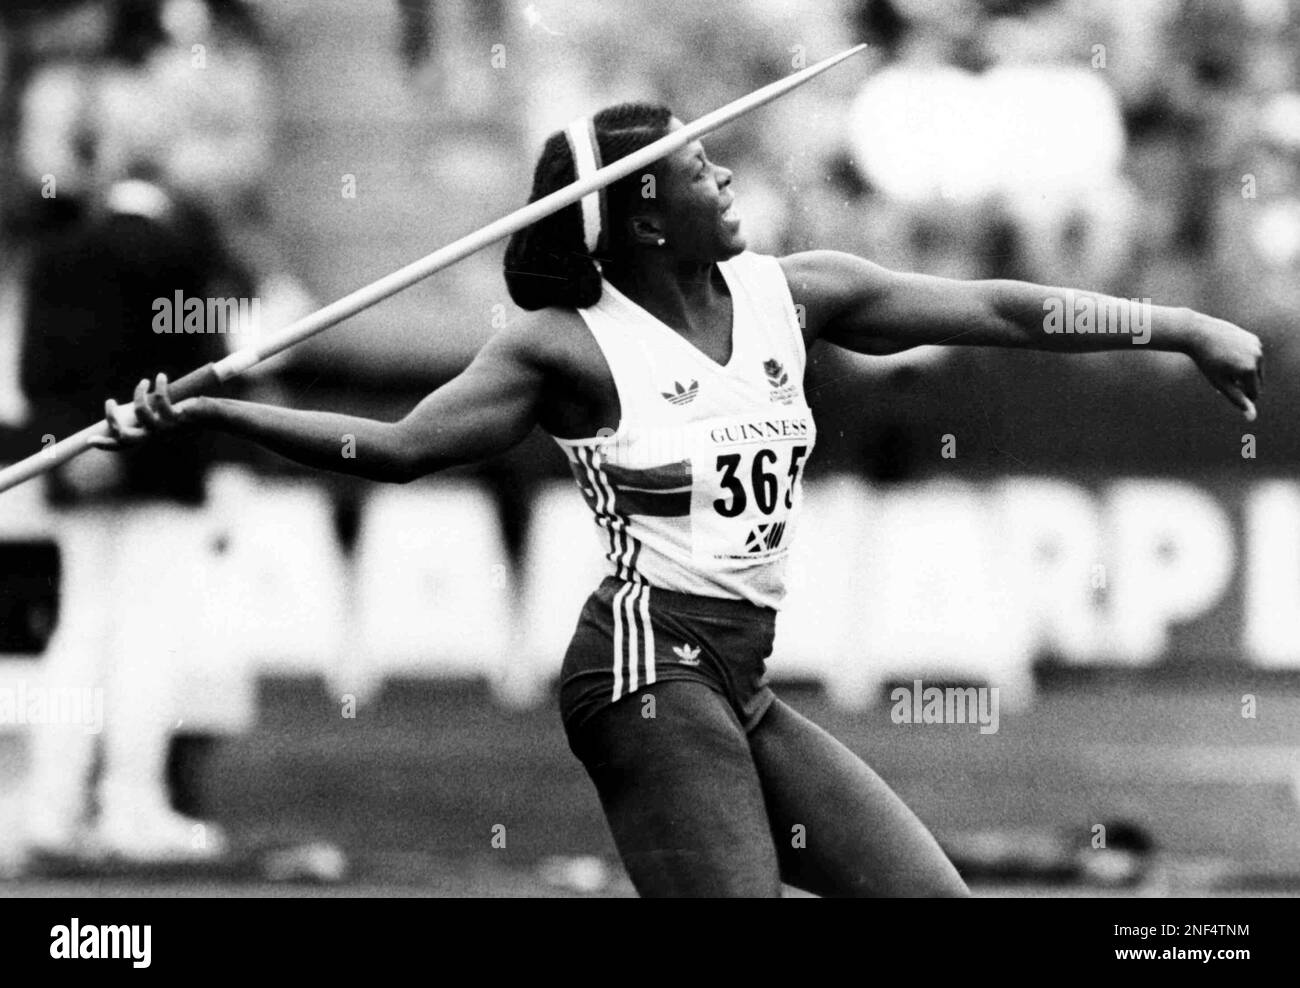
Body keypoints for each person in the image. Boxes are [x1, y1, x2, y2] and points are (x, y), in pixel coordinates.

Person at [94, 103, 1263, 896]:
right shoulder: (564, 347)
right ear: (647, 216)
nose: (725, 175)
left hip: (738, 686)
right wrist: (218, 411)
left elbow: (1003, 312)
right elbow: (400, 450)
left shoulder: (791, 294)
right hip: (646, 673)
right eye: (700, 169)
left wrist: (1178, 327)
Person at [20, 173, 245, 862]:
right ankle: (132, 808)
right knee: (147, 640)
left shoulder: (53, 256)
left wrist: (75, 448)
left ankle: (52, 812)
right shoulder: (182, 254)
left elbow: (36, 372)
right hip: (160, 474)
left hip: (76, 471)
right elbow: (205, 361)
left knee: (79, 634)